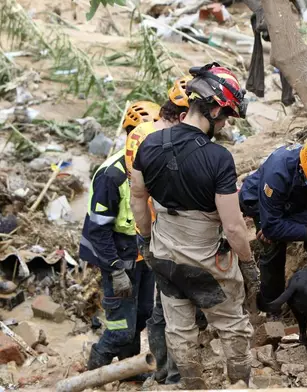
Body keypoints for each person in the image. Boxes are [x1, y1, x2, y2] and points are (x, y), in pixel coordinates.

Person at [129, 62, 259, 389]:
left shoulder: (148, 146)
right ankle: (240, 383)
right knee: (232, 325)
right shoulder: (218, 159)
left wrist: (146, 242)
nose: (226, 121)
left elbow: (137, 201)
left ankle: (192, 385)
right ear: (214, 108)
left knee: (180, 329)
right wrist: (248, 263)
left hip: (166, 256)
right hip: (206, 263)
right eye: (226, 114)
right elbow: (232, 226)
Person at [80, 101, 159, 375]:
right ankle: (94, 370)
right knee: (120, 330)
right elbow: (98, 230)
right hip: (117, 256)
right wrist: (115, 270)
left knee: (141, 316)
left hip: (141, 254)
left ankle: (131, 371)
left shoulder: (151, 167)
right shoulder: (111, 175)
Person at [124, 76, 192, 386]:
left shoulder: (140, 135)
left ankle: (164, 368)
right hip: (164, 231)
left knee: (163, 303)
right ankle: (171, 372)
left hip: (153, 230)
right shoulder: (159, 141)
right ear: (183, 116)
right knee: (170, 304)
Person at [238, 137, 307, 317]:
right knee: (272, 246)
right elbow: (271, 226)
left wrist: (286, 226)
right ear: (301, 167)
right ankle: (272, 308)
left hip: (301, 204)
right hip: (262, 202)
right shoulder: (278, 170)